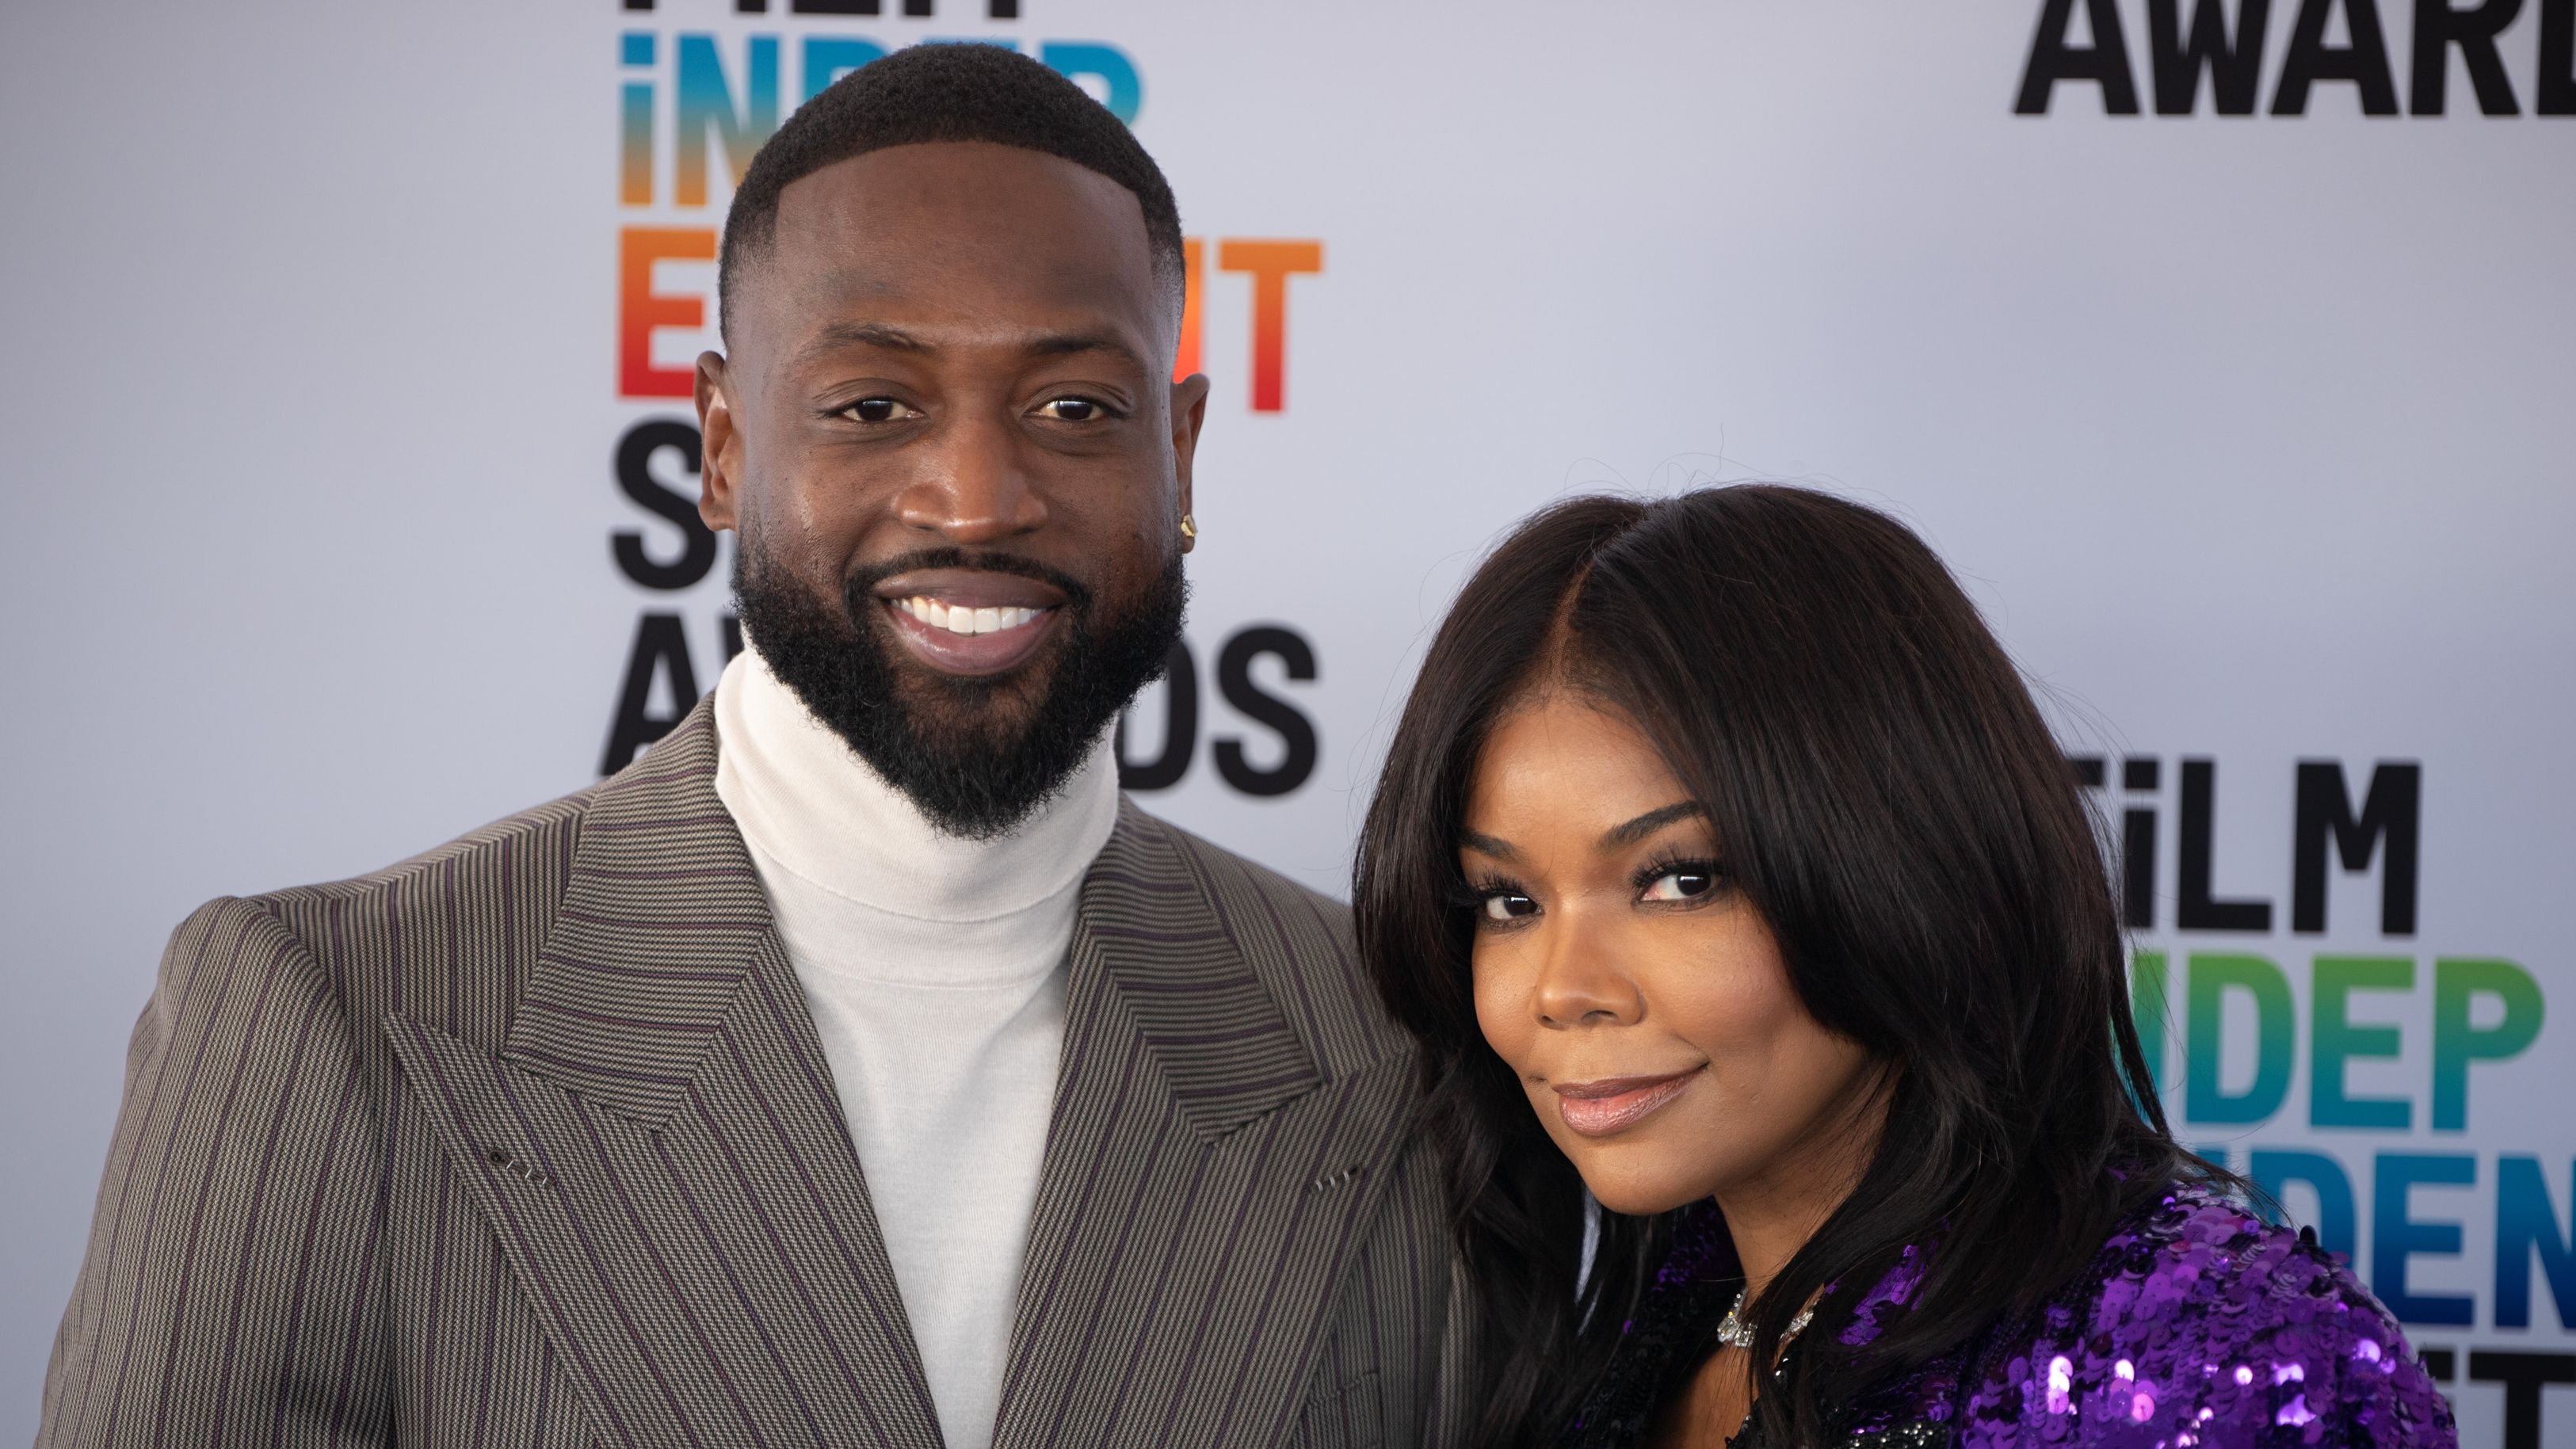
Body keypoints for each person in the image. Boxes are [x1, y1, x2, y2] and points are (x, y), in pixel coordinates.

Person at [43, 47, 1462, 1449]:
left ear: (1182, 451)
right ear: (723, 446)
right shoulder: (331, 1018)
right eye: (874, 405)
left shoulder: (1392, 1042)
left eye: (1075, 408)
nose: (976, 493)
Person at [1353, 486, 2453, 1449]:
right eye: (1509, 900)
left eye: (1679, 879)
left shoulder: (2210, 1359)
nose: (1561, 986)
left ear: (1897, 862)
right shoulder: (1653, 1327)